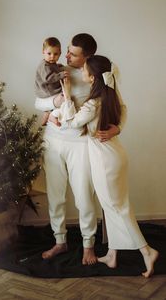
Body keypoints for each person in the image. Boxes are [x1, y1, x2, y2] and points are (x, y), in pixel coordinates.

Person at [52, 55, 159, 277]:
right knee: (112, 206)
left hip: (104, 160)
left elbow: (71, 123)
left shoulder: (93, 103)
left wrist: (67, 96)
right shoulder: (108, 94)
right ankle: (112, 254)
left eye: (84, 70)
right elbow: (124, 109)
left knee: (117, 207)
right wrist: (116, 129)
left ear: (92, 77)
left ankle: (147, 251)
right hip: (114, 154)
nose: (81, 71)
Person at [35, 33, 127, 265]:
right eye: (67, 50)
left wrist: (117, 129)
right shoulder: (56, 70)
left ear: (87, 57)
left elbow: (120, 106)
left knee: (84, 196)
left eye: (72, 53)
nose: (65, 55)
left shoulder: (97, 76)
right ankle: (60, 241)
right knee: (55, 195)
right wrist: (53, 104)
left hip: (81, 144)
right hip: (53, 141)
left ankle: (88, 244)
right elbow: (38, 101)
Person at [35, 37, 69, 126]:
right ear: (43, 51)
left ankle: (48, 113)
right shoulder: (44, 65)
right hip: (47, 90)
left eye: (56, 54)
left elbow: (52, 68)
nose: (52, 57)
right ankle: (50, 114)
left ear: (60, 54)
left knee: (64, 95)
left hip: (49, 88)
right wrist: (60, 75)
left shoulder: (51, 63)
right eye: (49, 53)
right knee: (64, 95)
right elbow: (48, 78)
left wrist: (57, 67)